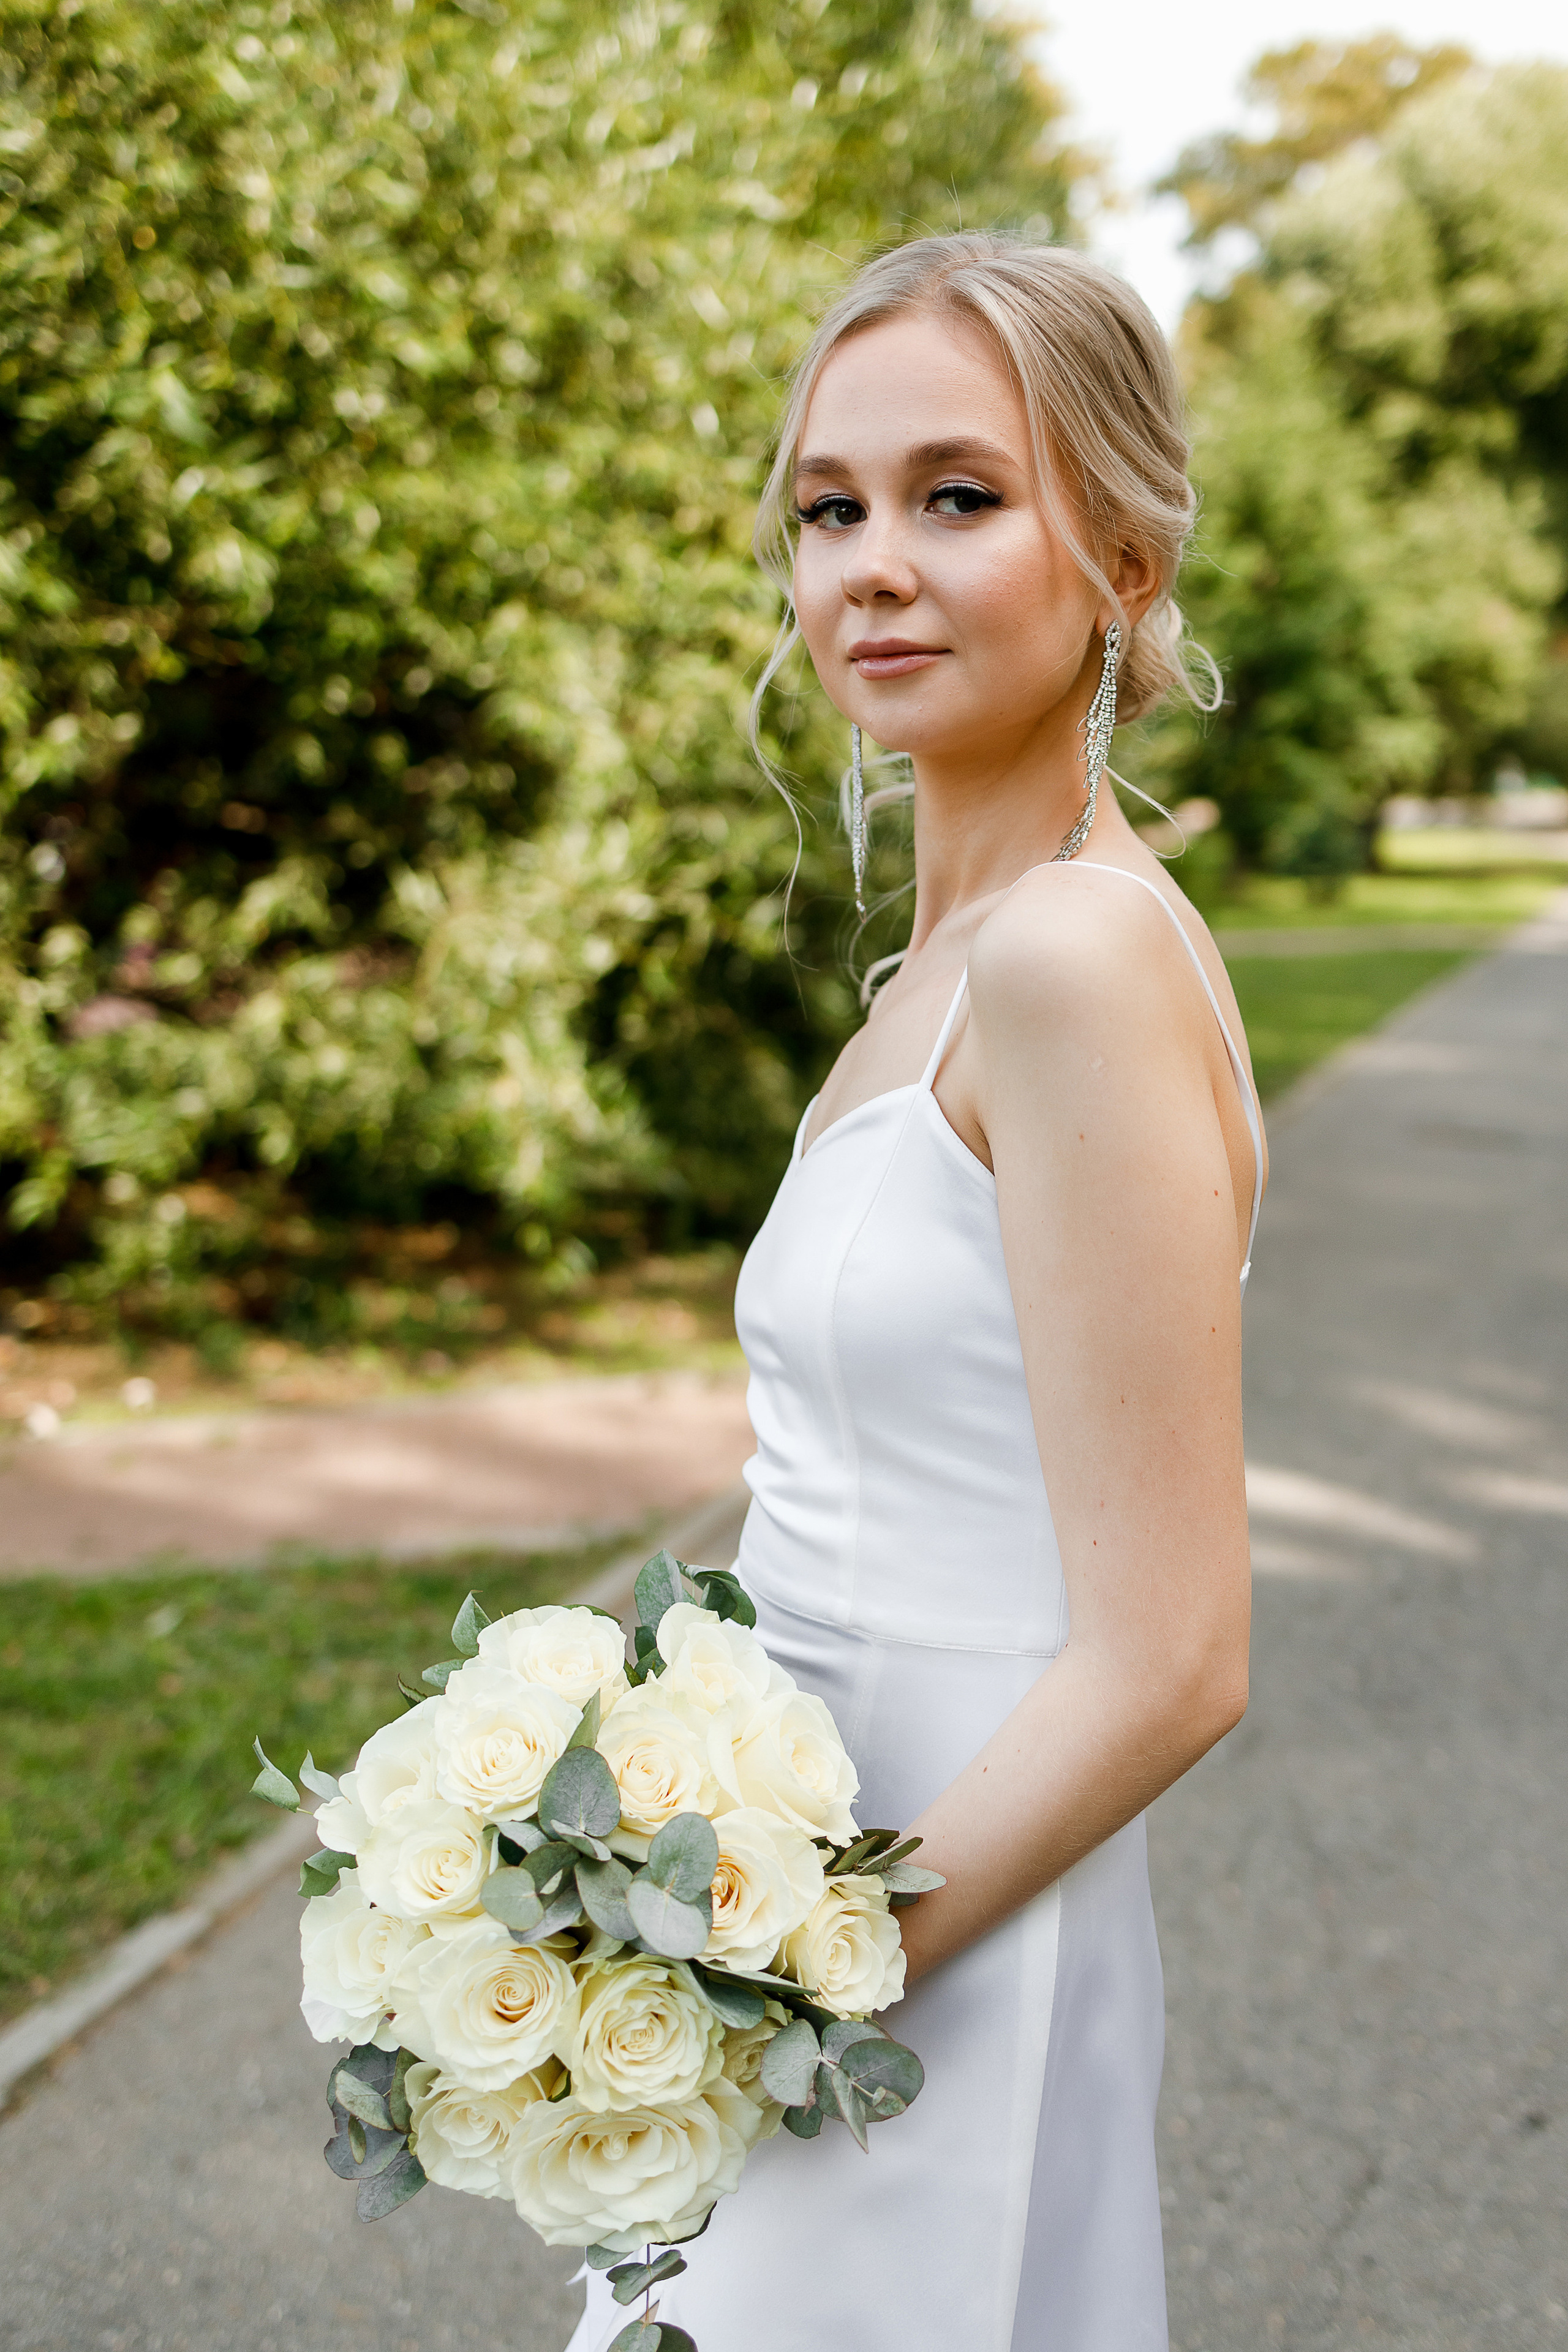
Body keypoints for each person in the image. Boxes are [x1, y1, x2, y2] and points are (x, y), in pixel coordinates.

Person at [568, 232, 1263, 2352]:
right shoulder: (941, 975)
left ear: (1121, 555)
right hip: (812, 1881)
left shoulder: (1072, 961)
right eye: (829, 507)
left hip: (921, 1936)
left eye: (959, 496)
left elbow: (1172, 1655)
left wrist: (797, 1969)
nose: (873, 561)